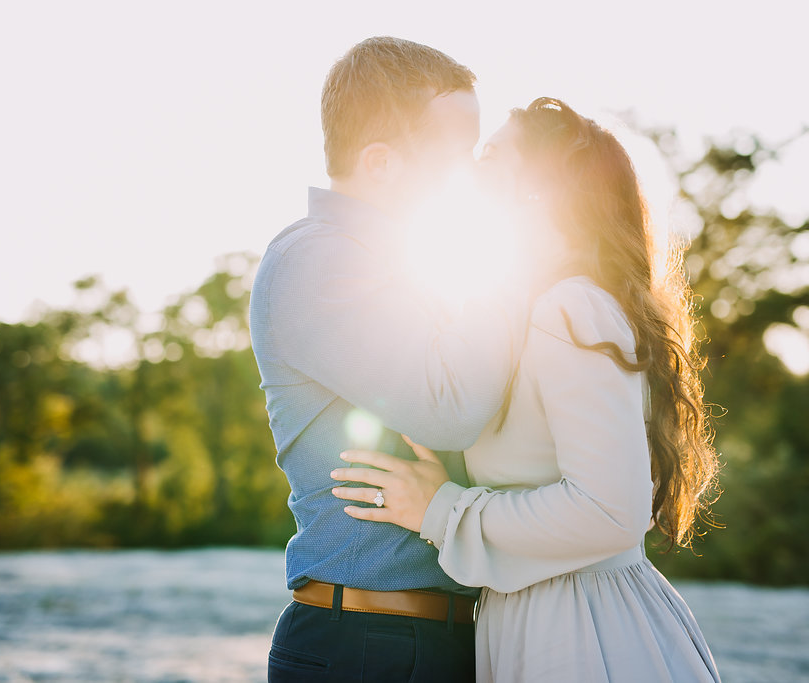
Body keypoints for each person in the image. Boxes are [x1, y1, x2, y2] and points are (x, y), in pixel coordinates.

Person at [331, 97, 723, 682]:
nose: (470, 166)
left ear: (540, 190)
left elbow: (611, 510)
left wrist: (442, 510)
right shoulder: (535, 307)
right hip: (539, 615)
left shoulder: (571, 308)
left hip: (581, 633)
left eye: (491, 155)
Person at [249, 37, 528, 682]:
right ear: (379, 163)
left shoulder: (401, 264)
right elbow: (450, 411)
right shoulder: (317, 261)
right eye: (458, 156)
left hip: (414, 637)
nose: (476, 175)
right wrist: (518, 262)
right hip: (372, 645)